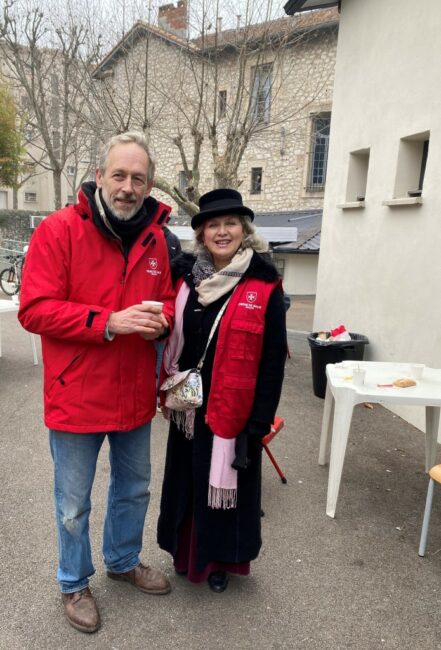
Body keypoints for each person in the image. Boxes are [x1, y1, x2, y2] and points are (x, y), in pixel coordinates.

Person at [18, 132, 175, 634]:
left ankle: (124, 560)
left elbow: (167, 298)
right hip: (76, 395)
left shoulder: (156, 238)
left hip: (133, 394)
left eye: (138, 178)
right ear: (99, 174)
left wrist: (163, 318)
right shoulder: (58, 230)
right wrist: (110, 321)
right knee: (73, 502)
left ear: (149, 184)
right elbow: (35, 309)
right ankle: (73, 582)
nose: (128, 187)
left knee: (134, 489)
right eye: (119, 175)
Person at [157, 188, 287, 593]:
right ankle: (185, 554)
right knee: (187, 484)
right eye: (213, 225)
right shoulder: (182, 278)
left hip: (234, 412)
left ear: (244, 230)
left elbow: (272, 359)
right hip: (190, 406)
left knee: (222, 492)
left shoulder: (264, 284)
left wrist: (259, 422)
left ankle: (217, 562)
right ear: (202, 234)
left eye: (231, 223)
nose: (222, 231)